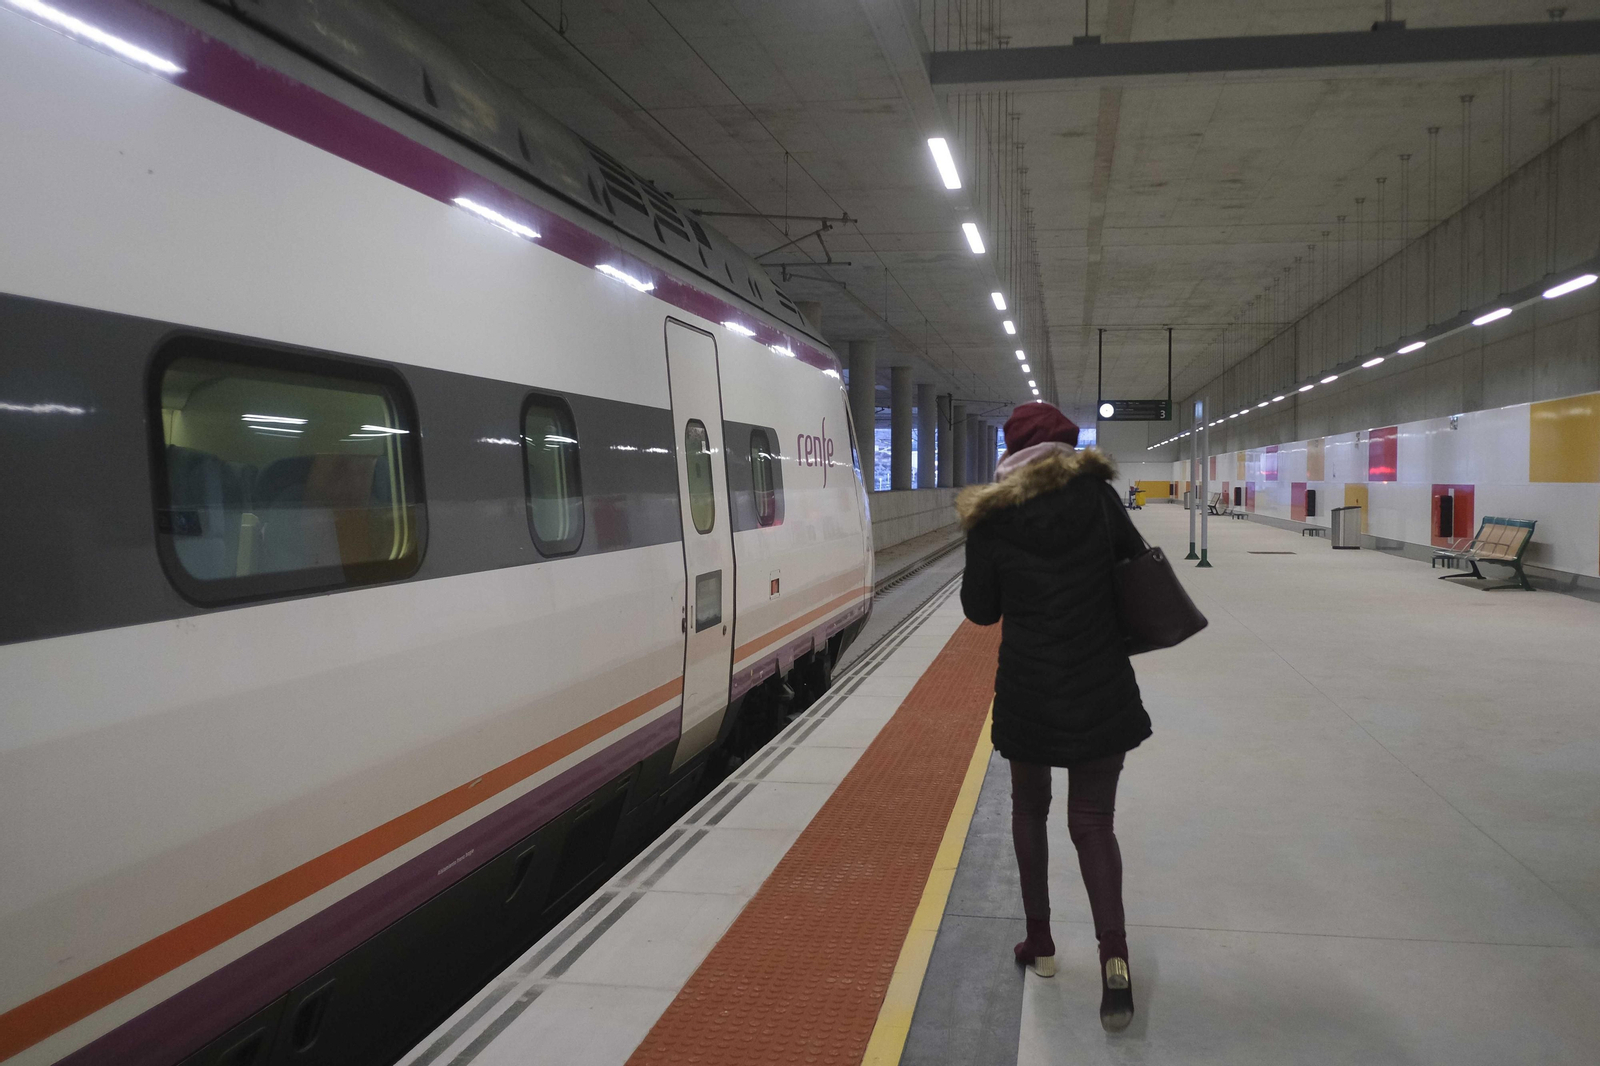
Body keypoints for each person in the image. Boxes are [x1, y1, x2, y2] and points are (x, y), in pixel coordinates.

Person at [955, 401, 1151, 1034]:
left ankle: (1039, 941)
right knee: (1093, 822)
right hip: (1099, 683)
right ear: (1069, 446)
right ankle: (1114, 961)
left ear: (1009, 453)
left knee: (1028, 811)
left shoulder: (993, 516)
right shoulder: (1098, 498)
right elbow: (1137, 568)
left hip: (1030, 689)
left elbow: (980, 611)